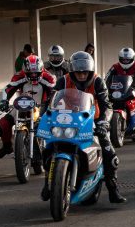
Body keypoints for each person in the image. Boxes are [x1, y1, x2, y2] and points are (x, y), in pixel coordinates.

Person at [47, 51, 126, 204]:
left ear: (90, 71)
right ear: (72, 71)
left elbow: (107, 105)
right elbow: (51, 101)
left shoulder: (97, 81)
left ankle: (113, 188)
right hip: (66, 121)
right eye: (78, 72)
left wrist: (104, 121)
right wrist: (45, 118)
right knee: (49, 148)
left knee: (110, 156)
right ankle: (48, 184)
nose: (82, 75)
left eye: (85, 72)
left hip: (93, 122)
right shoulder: (63, 81)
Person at [0, 54, 56, 158]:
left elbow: (55, 92)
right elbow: (7, 89)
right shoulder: (19, 76)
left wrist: (52, 104)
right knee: (3, 124)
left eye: (35, 72)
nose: (33, 75)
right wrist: (3, 101)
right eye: (30, 73)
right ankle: (7, 147)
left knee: (54, 127)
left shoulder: (49, 77)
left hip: (41, 107)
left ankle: (53, 151)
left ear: (41, 70)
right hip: (22, 106)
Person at [105, 47, 135, 144]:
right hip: (118, 90)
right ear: (120, 58)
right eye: (123, 59)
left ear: (132, 58)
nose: (125, 61)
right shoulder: (115, 67)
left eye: (128, 59)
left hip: (134, 90)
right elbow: (107, 78)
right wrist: (104, 86)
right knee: (104, 106)